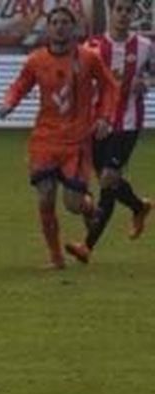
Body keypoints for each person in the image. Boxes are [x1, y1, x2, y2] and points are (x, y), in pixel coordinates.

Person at [0, 5, 119, 268]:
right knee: (45, 196)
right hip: (45, 139)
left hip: (77, 142)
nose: (60, 26)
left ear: (74, 28)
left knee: (73, 204)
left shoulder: (89, 58)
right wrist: (9, 102)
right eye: (55, 22)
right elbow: (20, 85)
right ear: (48, 27)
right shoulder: (36, 60)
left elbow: (110, 87)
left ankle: (88, 207)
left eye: (66, 22)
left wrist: (105, 118)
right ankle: (55, 258)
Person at [77, 0, 155, 256]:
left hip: (129, 122)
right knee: (109, 181)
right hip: (99, 124)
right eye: (118, 9)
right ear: (110, 12)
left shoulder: (144, 46)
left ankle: (86, 246)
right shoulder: (93, 46)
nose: (123, 15)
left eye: (128, 10)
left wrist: (146, 81)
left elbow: (153, 74)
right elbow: (81, 81)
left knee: (109, 179)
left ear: (133, 14)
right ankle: (138, 206)